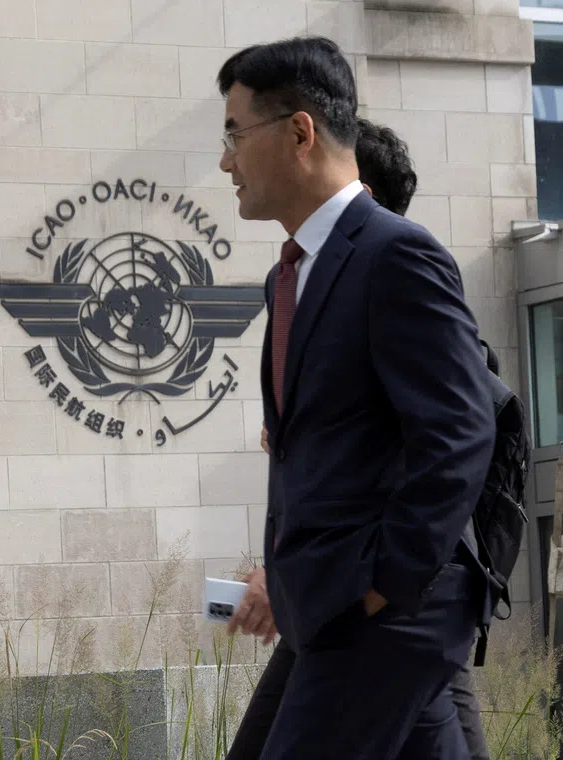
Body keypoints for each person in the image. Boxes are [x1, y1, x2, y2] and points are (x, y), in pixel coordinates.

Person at [217, 37, 495, 758]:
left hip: (384, 613)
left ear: (300, 131)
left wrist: (385, 585)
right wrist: (285, 575)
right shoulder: (293, 276)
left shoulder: (395, 254)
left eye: (235, 134)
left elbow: (459, 435)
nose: (226, 162)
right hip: (332, 604)